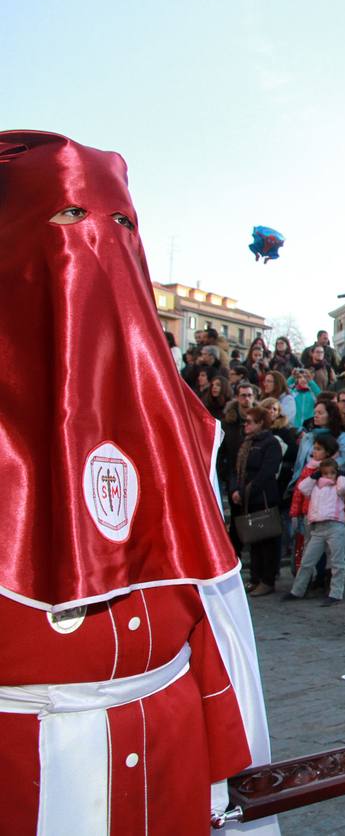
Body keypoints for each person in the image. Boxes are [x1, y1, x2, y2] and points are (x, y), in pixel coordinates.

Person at [0, 129, 273, 833]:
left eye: (123, 224)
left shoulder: (174, 422)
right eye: (68, 218)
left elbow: (208, 609)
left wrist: (226, 759)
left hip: (168, 752)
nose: (98, 243)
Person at [230, 407, 284, 597]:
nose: (246, 424)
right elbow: (237, 469)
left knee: (266, 542)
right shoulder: (246, 443)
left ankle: (266, 580)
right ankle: (255, 577)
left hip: (262, 498)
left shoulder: (270, 443)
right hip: (247, 499)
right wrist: (236, 489)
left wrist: (245, 491)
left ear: (261, 423)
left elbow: (266, 473)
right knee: (254, 541)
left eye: (250, 421)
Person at [285, 458, 345, 606]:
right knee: (307, 561)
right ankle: (297, 590)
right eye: (325, 473)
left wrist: (340, 475)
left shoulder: (338, 485)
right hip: (317, 527)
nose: (329, 476)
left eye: (332, 473)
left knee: (337, 562)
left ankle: (336, 593)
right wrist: (313, 476)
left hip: (335, 526)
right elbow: (302, 487)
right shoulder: (315, 486)